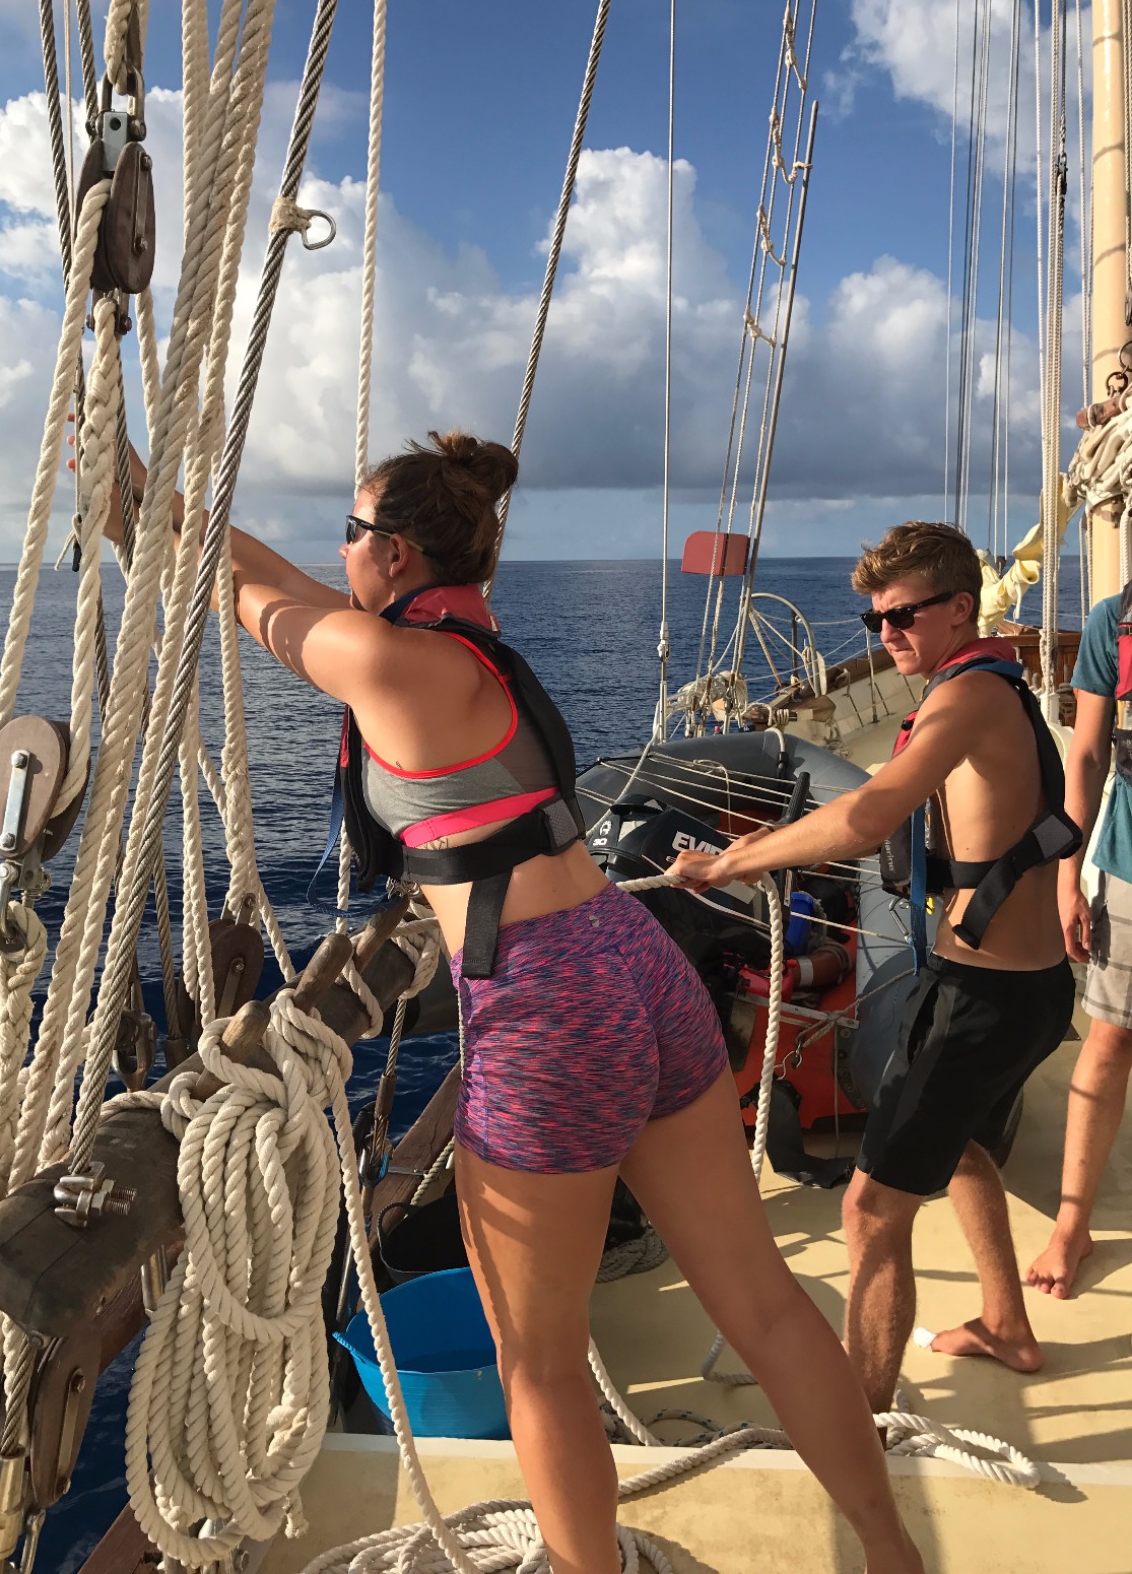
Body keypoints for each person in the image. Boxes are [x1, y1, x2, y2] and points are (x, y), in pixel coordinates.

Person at [95, 432, 922, 1574]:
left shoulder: (387, 662)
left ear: (393, 552)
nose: (338, 556)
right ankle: (891, 1553)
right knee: (767, 1307)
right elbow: (275, 577)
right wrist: (144, 482)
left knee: (538, 1361)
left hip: (544, 999)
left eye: (351, 534)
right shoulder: (467, 647)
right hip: (631, 957)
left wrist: (131, 505)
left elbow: (240, 593)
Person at [671, 521, 1077, 1416]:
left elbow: (866, 818)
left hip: (986, 999)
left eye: (903, 617)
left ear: (960, 608)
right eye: (873, 621)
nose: (886, 635)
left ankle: (859, 1426)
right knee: (957, 1146)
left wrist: (732, 861)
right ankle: (1006, 1325)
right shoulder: (989, 685)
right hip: (1018, 989)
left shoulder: (967, 698)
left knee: (868, 1211)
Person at [1026, 584, 1132, 1298]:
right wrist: (1069, 877)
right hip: (1127, 866)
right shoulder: (1113, 621)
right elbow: (1087, 756)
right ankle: (1072, 1226)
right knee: (1110, 1038)